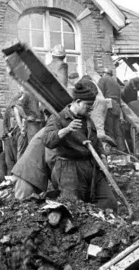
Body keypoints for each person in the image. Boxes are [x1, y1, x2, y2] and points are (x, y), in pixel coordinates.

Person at [43, 80, 118, 211]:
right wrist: (66, 130)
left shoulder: (88, 120)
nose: (91, 108)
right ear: (77, 102)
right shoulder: (58, 117)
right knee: (74, 207)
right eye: (88, 105)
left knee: (108, 202)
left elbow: (97, 143)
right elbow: (48, 140)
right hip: (69, 169)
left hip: (91, 166)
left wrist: (103, 157)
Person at [98, 67, 125, 151]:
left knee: (108, 129)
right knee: (117, 130)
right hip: (117, 106)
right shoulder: (116, 83)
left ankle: (113, 151)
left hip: (108, 104)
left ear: (104, 73)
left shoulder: (103, 80)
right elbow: (120, 99)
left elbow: (100, 94)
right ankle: (121, 149)